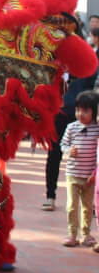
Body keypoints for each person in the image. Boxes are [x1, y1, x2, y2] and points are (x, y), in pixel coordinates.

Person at [43, 37, 97, 211]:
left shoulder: (86, 68)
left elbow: (93, 91)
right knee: (54, 155)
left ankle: (89, 200)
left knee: (89, 157)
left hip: (82, 119)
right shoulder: (51, 65)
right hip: (57, 117)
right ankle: (50, 195)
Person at [60, 91, 99, 247]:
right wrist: (69, 152)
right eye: (78, 110)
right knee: (71, 205)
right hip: (73, 174)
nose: (80, 114)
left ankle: (86, 233)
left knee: (88, 207)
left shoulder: (97, 130)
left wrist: (94, 173)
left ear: (94, 112)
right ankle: (72, 234)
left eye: (85, 110)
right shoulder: (71, 127)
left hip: (89, 177)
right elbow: (63, 145)